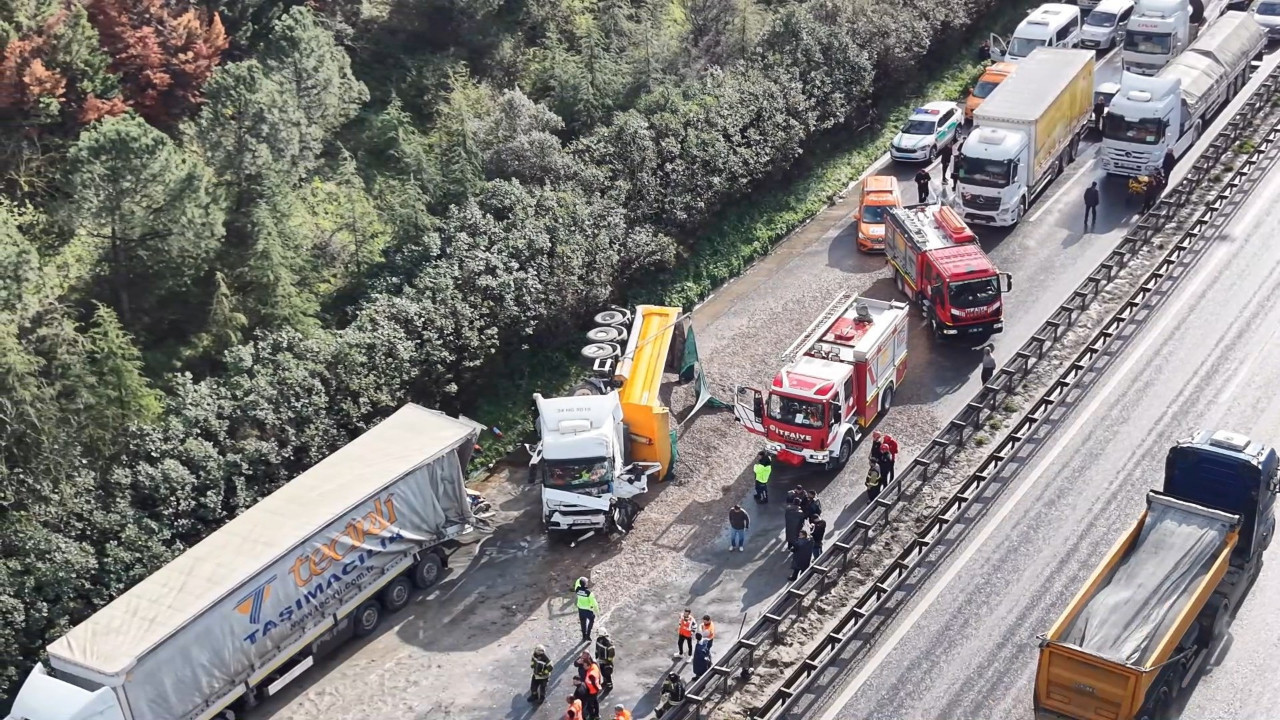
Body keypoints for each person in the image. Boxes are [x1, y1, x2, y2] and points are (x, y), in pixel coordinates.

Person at [580, 651, 603, 720]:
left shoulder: (591, 674)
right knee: (595, 702)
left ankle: (592, 716)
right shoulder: (593, 666)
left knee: (590, 705)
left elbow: (594, 683)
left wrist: (598, 689)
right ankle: (596, 714)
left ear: (588, 665)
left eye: (584, 665)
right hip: (593, 691)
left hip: (592, 692)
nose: (583, 667)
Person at [575, 577, 600, 642]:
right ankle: (588, 635)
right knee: (591, 620)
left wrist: (580, 579)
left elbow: (577, 583)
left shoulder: (577, 590)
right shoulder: (589, 593)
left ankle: (584, 636)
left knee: (583, 623)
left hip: (580, 609)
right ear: (586, 584)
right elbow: (594, 603)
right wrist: (597, 611)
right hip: (588, 610)